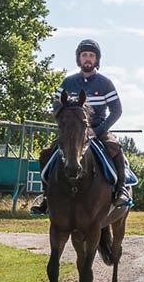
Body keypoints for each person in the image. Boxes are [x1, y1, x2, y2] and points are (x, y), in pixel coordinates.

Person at [31, 39, 131, 215]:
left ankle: (121, 189)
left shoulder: (105, 83)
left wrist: (97, 130)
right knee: (46, 153)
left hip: (98, 129)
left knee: (116, 148)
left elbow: (117, 111)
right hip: (72, 132)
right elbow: (56, 107)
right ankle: (47, 196)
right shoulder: (67, 82)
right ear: (78, 59)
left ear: (96, 60)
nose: (88, 59)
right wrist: (68, 125)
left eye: (91, 56)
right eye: (84, 55)